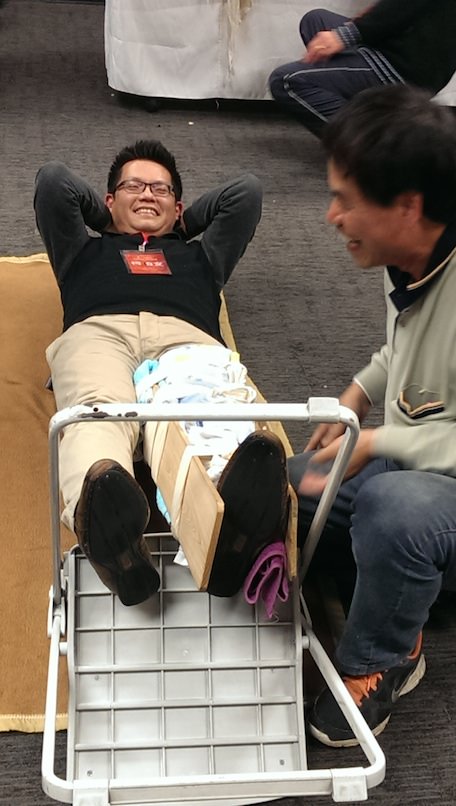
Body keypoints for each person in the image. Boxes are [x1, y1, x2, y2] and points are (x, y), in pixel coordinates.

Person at [34, 140, 289, 607]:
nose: (148, 194)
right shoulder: (81, 252)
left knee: (207, 423)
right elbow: (54, 182)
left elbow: (245, 193)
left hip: (185, 340)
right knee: (97, 414)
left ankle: (229, 537)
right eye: (133, 186)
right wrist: (110, 222)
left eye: (161, 189)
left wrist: (179, 226)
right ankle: (113, 542)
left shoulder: (202, 258)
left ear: (178, 207)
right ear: (109, 199)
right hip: (100, 333)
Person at [288, 84, 456, 746]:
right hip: (422, 455)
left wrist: (380, 440)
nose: (332, 216)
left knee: (393, 510)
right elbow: (405, 350)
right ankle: (394, 578)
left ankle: (385, 656)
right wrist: (358, 392)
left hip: (426, 481)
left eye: (346, 200)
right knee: (295, 483)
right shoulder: (414, 255)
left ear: (407, 206)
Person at [269, 0, 456, 138]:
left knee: (286, 81)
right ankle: (376, 117)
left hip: (405, 64)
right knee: (316, 21)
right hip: (398, 44)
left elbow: (403, 6)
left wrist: (346, 35)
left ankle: (376, 148)